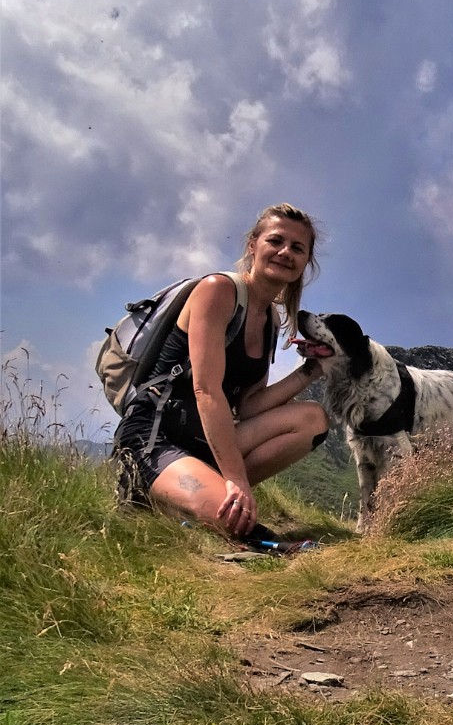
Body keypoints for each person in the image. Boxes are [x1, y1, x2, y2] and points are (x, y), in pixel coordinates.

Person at [113, 203, 329, 544]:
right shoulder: (218, 290)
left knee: (312, 419)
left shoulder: (271, 321)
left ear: (305, 262)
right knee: (235, 523)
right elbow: (206, 391)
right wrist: (237, 479)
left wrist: (313, 369)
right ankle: (174, 494)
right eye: (276, 241)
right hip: (154, 436)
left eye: (297, 248)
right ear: (253, 245)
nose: (285, 252)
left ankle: (196, 496)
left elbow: (248, 407)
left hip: (204, 443)